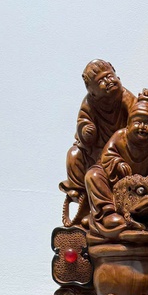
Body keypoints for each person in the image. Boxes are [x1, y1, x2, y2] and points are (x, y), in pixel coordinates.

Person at [84, 90, 148, 238]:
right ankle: (108, 213)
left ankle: (145, 219)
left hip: (141, 193)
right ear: (128, 125)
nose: (142, 127)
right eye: (138, 122)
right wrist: (117, 163)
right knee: (93, 175)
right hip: (115, 187)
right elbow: (106, 156)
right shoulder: (120, 136)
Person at [61, 60, 134, 218]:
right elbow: (83, 122)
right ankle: (80, 192)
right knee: (73, 154)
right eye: (101, 81)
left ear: (117, 77)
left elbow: (139, 117)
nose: (108, 82)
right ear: (92, 91)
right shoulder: (89, 104)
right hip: (97, 153)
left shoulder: (126, 97)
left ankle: (110, 211)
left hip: (120, 152)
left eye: (109, 76)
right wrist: (85, 130)